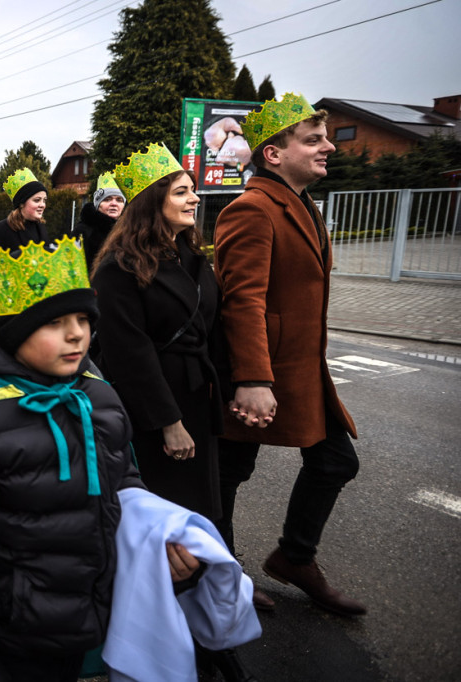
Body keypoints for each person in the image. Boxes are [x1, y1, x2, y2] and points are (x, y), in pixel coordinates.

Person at [0, 237, 202, 682]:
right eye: (55, 323)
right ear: (14, 331)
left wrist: (157, 542)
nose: (76, 334)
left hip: (81, 621)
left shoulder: (100, 397)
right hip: (9, 636)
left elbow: (121, 485)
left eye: (84, 319)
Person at [91, 144, 251, 680]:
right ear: (151, 201)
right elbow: (128, 353)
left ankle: (205, 626)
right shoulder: (118, 269)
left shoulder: (192, 256)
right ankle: (166, 634)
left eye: (192, 190)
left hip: (199, 401)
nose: (195, 197)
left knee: (203, 514)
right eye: (182, 191)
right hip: (157, 412)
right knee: (169, 526)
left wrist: (235, 389)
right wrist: (167, 421)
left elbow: (213, 332)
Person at [213, 92, 366, 617]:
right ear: (273, 154)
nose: (328, 146)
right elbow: (243, 301)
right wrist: (253, 378)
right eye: (314, 140)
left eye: (325, 138)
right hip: (260, 372)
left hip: (303, 370)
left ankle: (294, 558)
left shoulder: (302, 205)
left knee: (336, 461)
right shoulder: (252, 208)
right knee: (229, 471)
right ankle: (222, 572)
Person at [0, 167, 48, 260]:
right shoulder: (0, 230)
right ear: (21, 203)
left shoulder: (41, 228)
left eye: (44, 200)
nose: (42, 205)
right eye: (37, 200)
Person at [74, 170, 125, 271]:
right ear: (98, 204)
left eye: (119, 200)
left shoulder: (128, 230)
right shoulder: (83, 231)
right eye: (107, 199)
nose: (114, 203)